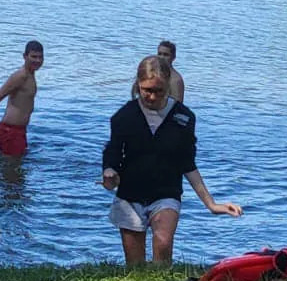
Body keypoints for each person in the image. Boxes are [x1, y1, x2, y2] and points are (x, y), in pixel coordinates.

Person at [102, 54, 241, 266]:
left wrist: (212, 205)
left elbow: (188, 164)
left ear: (168, 85)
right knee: (134, 264)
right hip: (130, 194)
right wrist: (109, 172)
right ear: (138, 85)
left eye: (158, 91)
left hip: (166, 193)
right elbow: (112, 151)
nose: (151, 96)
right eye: (146, 90)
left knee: (163, 243)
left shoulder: (184, 118)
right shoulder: (124, 116)